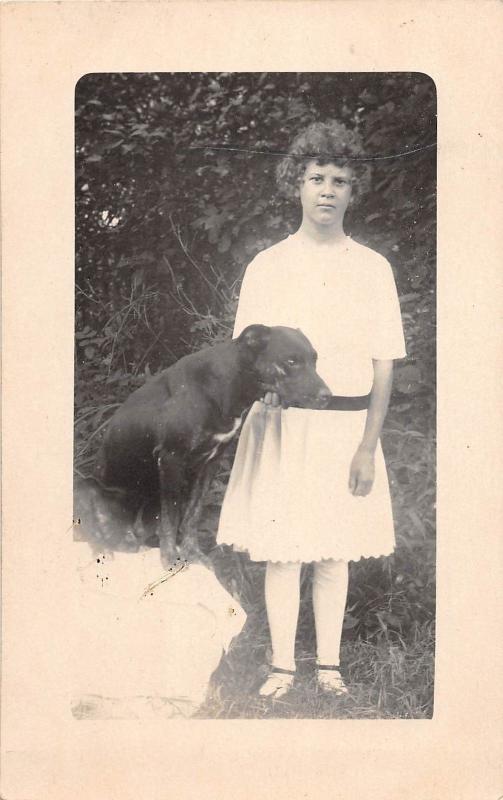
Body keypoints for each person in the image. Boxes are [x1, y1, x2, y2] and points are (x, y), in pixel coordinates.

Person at [216, 120, 406, 698]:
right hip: (281, 426)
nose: (327, 189)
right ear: (295, 184)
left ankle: (329, 668)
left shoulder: (373, 269)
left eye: (340, 180)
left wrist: (368, 447)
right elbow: (243, 357)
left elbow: (383, 364)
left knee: (333, 548)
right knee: (284, 548)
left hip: (347, 428)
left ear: (354, 190)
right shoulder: (268, 266)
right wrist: (263, 393)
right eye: (316, 177)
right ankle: (281, 667)